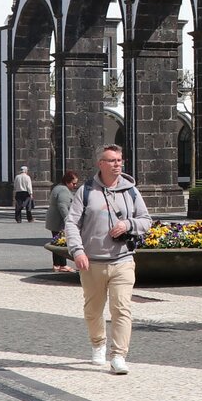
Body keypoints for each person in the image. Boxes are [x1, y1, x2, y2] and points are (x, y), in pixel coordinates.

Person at [66, 145, 152, 375]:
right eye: (112, 160)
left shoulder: (131, 191)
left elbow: (146, 220)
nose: (117, 164)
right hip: (92, 262)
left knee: (121, 308)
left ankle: (118, 356)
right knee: (93, 310)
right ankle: (98, 343)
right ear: (100, 164)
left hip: (123, 260)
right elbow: (71, 223)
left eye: (119, 160)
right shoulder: (85, 191)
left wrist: (128, 224)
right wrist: (77, 251)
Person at [46, 170, 80, 272]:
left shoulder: (58, 187)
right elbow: (62, 206)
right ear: (67, 182)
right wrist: (68, 220)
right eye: (73, 183)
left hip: (54, 220)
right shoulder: (63, 190)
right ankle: (62, 265)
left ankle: (57, 264)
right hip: (59, 221)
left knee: (57, 242)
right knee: (62, 242)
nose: (75, 186)